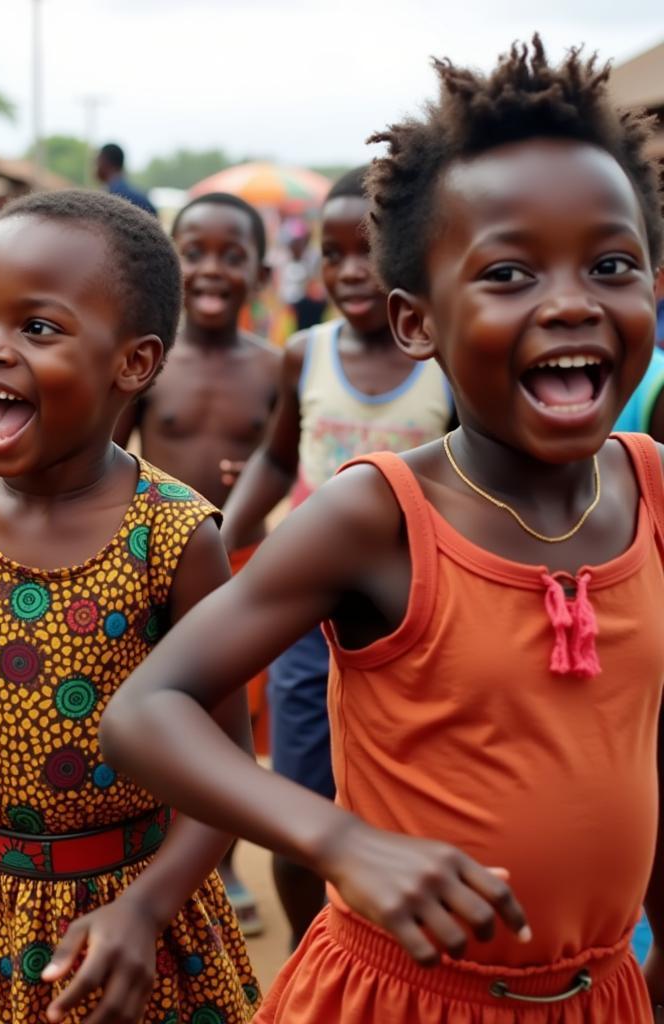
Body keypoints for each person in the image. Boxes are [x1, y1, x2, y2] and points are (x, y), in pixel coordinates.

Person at [104, 38, 664, 1022]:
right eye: (509, 273)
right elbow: (145, 712)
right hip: (398, 999)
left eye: (610, 262)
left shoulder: (654, 493)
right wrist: (338, 840)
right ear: (416, 321)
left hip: (597, 994)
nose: (571, 301)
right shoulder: (379, 517)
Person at [0, 189, 259, 1023]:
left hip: (145, 918)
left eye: (37, 328)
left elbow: (228, 770)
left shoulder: (174, 536)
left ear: (133, 363)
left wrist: (149, 906)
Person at [220, 164, 453, 948]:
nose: (351, 270)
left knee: (416, 806)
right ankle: (306, 952)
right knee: (300, 804)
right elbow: (279, 460)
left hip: (424, 621)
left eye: (370, 251)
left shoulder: (445, 361)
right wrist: (221, 546)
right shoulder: (307, 355)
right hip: (309, 621)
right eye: (332, 252)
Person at [114, 191, 277, 936]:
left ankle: (226, 866)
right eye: (195, 251)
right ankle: (145, 850)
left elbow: (289, 463)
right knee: (155, 707)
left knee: (227, 716)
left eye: (232, 254)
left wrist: (260, 479)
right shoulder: (149, 362)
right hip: (152, 565)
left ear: (261, 272)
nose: (212, 269)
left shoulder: (274, 369)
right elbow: (107, 453)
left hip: (245, 571)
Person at [95, 143, 157, 217]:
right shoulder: (143, 199)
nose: (95, 168)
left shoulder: (107, 199)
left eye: (97, 162)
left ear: (104, 161)